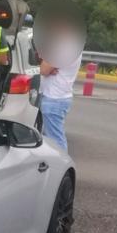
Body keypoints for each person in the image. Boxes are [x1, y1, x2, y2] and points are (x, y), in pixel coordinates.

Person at [39, 23, 83, 152]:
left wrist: (46, 62)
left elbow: (44, 69)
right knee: (50, 139)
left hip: (54, 98)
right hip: (59, 97)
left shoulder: (61, 47)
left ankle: (63, 170)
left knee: (55, 141)